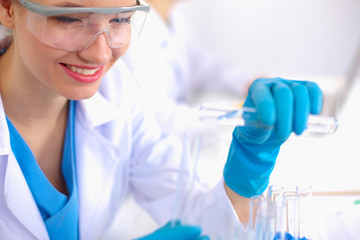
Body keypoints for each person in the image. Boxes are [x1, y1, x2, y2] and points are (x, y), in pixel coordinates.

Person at [0, 0, 323, 240]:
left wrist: (247, 168)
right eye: (68, 19)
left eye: (121, 20)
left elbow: (195, 215)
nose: (99, 54)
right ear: (7, 8)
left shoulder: (117, 92)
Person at [119, 0, 257, 135]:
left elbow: (204, 68)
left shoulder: (171, 17)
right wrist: (239, 115)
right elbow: (156, 118)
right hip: (153, 146)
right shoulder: (133, 26)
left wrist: (249, 83)